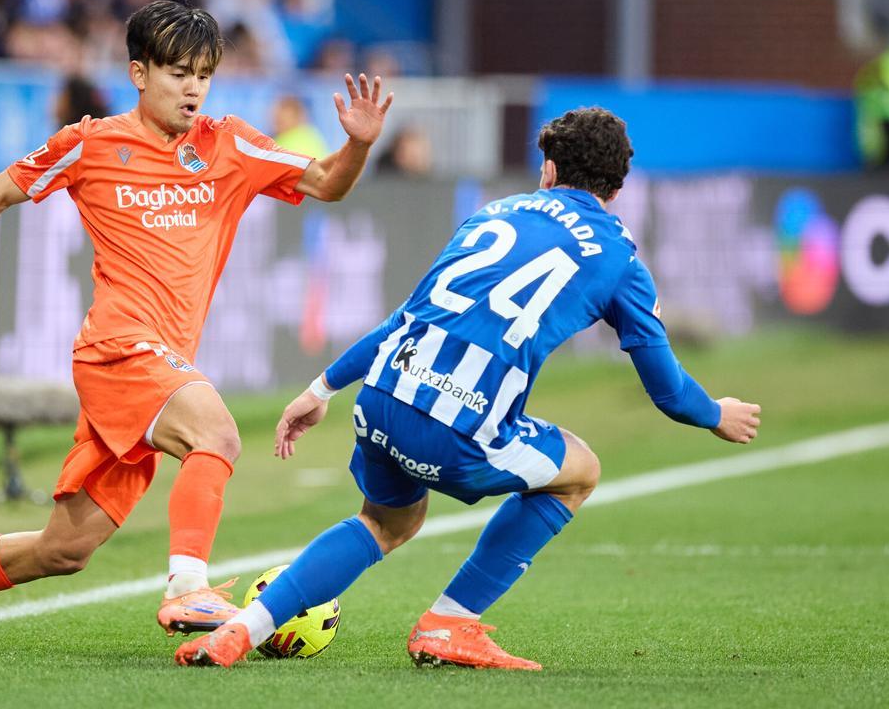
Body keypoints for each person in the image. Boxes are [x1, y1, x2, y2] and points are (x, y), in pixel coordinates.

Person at [0, 0, 394, 647]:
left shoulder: (229, 145)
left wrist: (359, 145)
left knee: (66, 548)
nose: (193, 87)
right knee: (218, 436)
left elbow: (326, 183)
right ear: (139, 73)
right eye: (178, 72)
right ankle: (187, 586)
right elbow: (0, 188)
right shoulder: (91, 145)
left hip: (158, 369)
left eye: (203, 73)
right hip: (117, 349)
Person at [174, 107, 762, 669]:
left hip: (380, 397)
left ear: (550, 171)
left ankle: (241, 629)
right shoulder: (619, 258)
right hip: (461, 427)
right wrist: (716, 413)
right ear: (616, 189)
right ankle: (449, 624)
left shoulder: (494, 213)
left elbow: (405, 317)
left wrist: (322, 388)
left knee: (386, 523)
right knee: (580, 470)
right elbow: (666, 390)